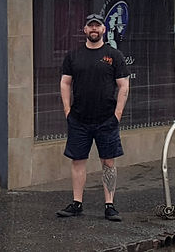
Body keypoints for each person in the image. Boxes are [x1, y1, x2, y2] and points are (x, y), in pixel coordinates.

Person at [56, 13, 130, 222]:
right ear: (85, 30)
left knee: (108, 162)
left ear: (104, 30)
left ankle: (109, 205)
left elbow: (124, 85)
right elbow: (65, 83)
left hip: (106, 119)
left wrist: (117, 114)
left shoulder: (114, 55)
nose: (94, 29)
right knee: (78, 161)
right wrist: (67, 110)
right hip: (79, 119)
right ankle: (77, 203)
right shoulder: (74, 56)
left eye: (98, 26)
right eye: (91, 26)